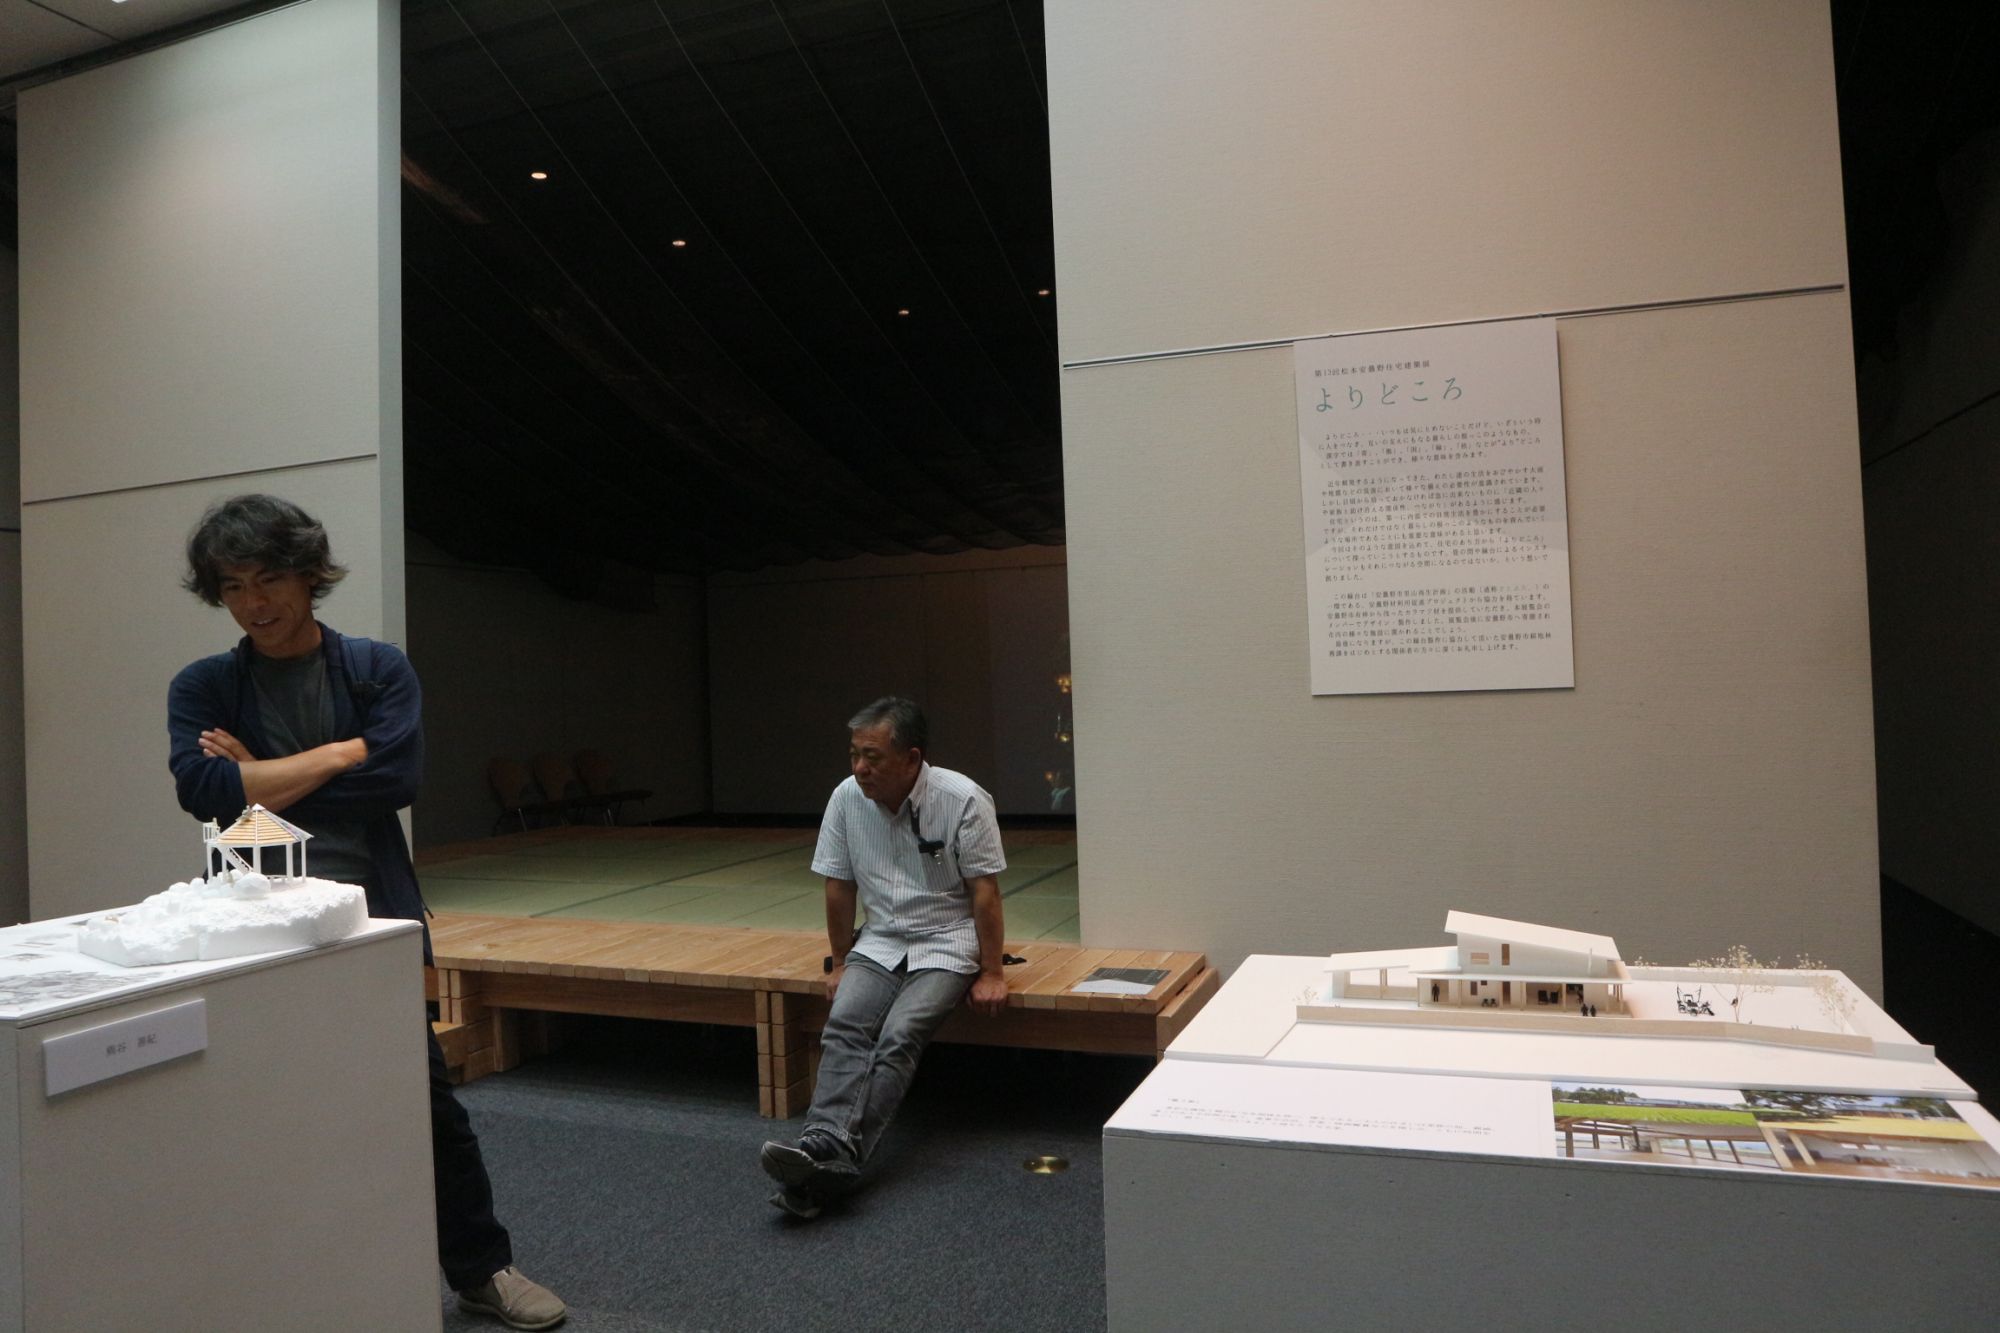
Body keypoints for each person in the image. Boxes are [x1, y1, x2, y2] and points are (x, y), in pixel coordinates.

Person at [166, 494, 566, 1331]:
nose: (253, 602)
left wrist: (260, 774)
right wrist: (338, 752)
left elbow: (394, 780)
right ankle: (275, 1276)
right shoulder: (205, 685)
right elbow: (203, 792)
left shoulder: (374, 670)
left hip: (369, 923)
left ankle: (482, 1268)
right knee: (259, 1107)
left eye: (269, 579)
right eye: (233, 586)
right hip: (253, 925)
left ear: (309, 575)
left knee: (424, 1102)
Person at [758, 697, 1009, 1218]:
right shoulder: (846, 798)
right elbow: (838, 884)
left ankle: (826, 1157)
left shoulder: (962, 799)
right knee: (845, 1023)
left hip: (947, 943)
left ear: (912, 758)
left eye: (871, 757)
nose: (859, 768)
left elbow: (985, 892)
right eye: (854, 754)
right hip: (879, 940)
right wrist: (841, 961)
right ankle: (825, 1150)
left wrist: (991, 972)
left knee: (900, 1034)